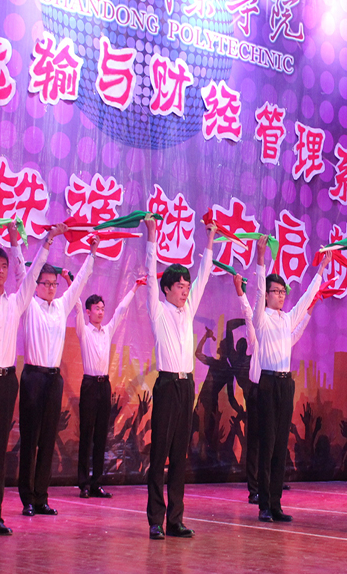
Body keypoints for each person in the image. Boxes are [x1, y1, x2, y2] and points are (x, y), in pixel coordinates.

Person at [0, 210, 65, 536]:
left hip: (8, 380)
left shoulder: (17, 302)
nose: (2, 270)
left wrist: (44, 242)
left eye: (5, 265)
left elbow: (33, 273)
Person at [144, 215, 216, 540]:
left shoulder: (188, 310)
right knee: (159, 453)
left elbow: (205, 275)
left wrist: (210, 240)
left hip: (187, 386)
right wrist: (152, 235)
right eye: (180, 287)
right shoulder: (158, 310)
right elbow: (150, 275)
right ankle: (155, 520)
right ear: (167, 289)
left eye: (187, 287)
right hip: (167, 385)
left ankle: (175, 519)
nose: (186, 291)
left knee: (178, 455)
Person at [19, 236, 97, 517]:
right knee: (30, 440)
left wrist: (92, 252)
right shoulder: (28, 305)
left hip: (53, 380)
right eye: (46, 283)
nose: (52, 288)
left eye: (54, 284)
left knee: (48, 439)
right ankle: (27, 498)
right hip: (33, 378)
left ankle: (41, 497)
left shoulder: (62, 306)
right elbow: (22, 271)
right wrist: (48, 241)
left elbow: (79, 283)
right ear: (36, 284)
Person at [251, 240, 329, 523]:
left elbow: (307, 298)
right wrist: (261, 259)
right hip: (267, 383)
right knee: (268, 443)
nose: (281, 295)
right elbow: (257, 290)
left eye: (283, 292)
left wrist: (321, 269)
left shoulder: (286, 319)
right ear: (267, 295)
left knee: (281, 443)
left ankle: (276, 504)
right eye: (276, 291)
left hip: (285, 384)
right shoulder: (261, 318)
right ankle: (263, 504)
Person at [74, 275, 141, 499]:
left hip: (104, 387)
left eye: (103, 308)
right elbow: (76, 304)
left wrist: (134, 288)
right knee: (87, 434)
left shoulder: (108, 330)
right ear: (88, 312)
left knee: (102, 435)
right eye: (97, 309)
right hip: (89, 385)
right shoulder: (84, 331)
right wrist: (71, 283)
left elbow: (121, 311)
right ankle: (83, 484)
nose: (101, 312)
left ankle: (96, 483)